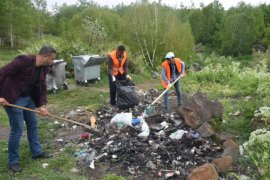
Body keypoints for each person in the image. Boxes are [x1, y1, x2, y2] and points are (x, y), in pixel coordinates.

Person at [0, 45, 56, 173]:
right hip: (14, 98)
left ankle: (36, 152)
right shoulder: (23, 61)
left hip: (28, 97)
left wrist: (41, 105)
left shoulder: (44, 68)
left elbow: (41, 86)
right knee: (17, 129)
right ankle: (13, 161)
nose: (53, 61)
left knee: (33, 125)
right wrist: (0, 96)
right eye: (52, 59)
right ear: (45, 56)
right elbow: (2, 73)